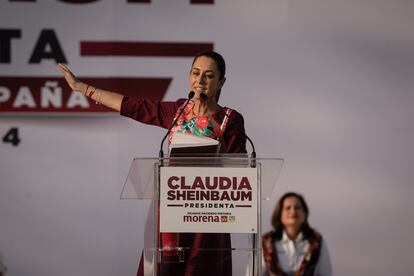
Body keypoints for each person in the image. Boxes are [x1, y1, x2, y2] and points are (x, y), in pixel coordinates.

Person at [58, 51, 247, 276]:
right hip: (172, 212)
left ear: (221, 82)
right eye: (196, 73)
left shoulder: (229, 119)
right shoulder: (177, 112)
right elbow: (132, 106)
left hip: (207, 218)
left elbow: (240, 174)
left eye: (209, 75)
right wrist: (84, 88)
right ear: (189, 77)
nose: (201, 80)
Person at [261, 192, 332, 276]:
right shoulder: (266, 242)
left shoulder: (317, 241)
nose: (293, 211)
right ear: (279, 214)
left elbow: (325, 273)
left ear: (305, 214)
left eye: (297, 207)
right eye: (288, 208)